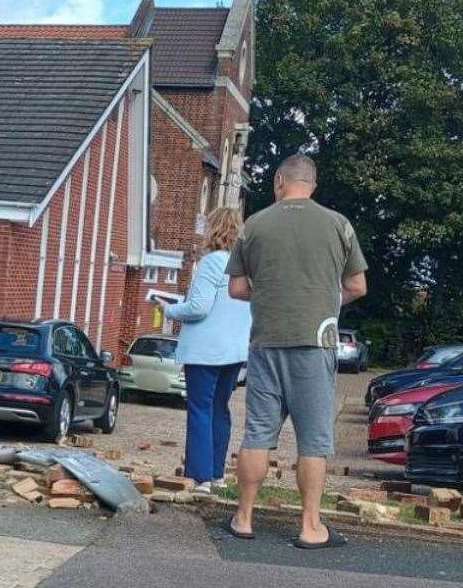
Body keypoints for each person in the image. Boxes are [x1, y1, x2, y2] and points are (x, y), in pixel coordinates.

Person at [224, 153, 368, 549]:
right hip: (315, 343)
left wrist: (270, 293)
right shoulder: (338, 225)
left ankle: (243, 519)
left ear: (278, 181)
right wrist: (324, 299)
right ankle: (309, 526)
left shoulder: (254, 224)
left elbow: (237, 288)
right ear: (313, 185)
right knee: (313, 440)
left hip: (266, 342)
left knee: (257, 434)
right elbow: (357, 286)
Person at [153, 207, 251, 494]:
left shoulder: (211, 263)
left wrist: (168, 309)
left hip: (206, 351)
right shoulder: (247, 266)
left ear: (214, 230)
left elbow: (198, 308)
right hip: (234, 351)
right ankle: (217, 473)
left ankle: (199, 476)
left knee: (199, 410)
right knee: (220, 409)